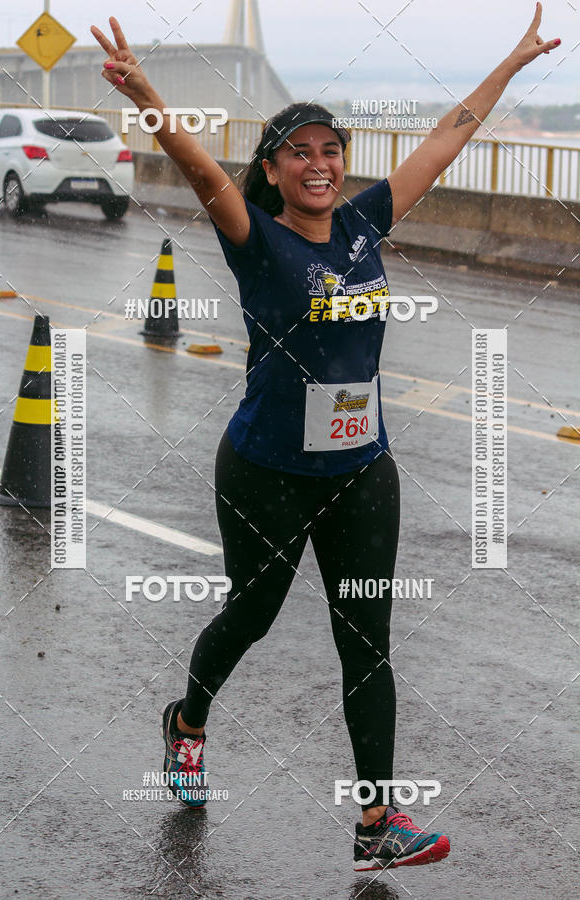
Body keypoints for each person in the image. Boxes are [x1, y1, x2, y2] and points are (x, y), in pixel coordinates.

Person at [92, 6, 559, 872]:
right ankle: (186, 722)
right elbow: (199, 172)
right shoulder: (256, 239)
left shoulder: (361, 224)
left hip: (360, 468)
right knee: (254, 614)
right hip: (265, 467)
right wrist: (150, 93)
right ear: (270, 171)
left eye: (330, 149)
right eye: (299, 152)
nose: (319, 163)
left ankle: (376, 826)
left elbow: (449, 139)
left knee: (367, 641)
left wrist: (514, 59)